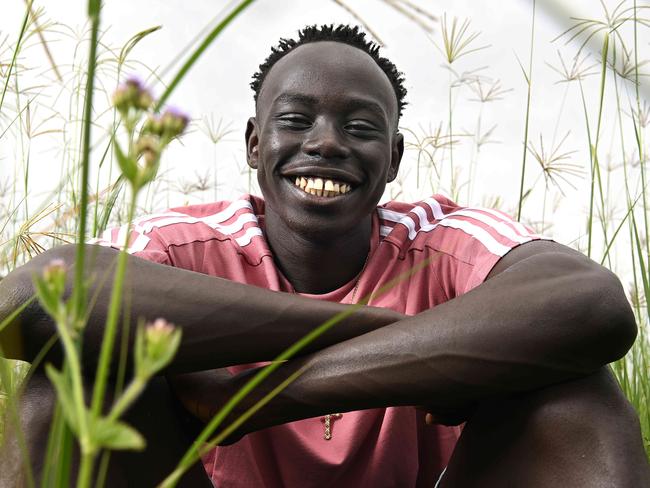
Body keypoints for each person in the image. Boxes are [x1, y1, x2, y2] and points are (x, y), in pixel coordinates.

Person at [1, 24, 649, 487]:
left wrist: (268, 394)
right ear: (255, 144)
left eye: (362, 127)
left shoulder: (442, 235)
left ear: (393, 159)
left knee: (575, 391)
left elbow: (591, 304)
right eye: (295, 119)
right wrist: (394, 334)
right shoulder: (189, 243)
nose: (327, 143)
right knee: (70, 390)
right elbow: (25, 305)